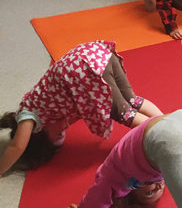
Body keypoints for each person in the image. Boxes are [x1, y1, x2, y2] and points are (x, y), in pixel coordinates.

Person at [0, 41, 161, 176]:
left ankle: (162, 134)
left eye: (59, 133)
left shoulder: (28, 116)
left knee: (124, 113)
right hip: (95, 53)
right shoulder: (48, 105)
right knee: (132, 100)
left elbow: (17, 146)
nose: (64, 128)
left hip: (85, 69)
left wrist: (1, 170)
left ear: (39, 133)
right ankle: (165, 120)